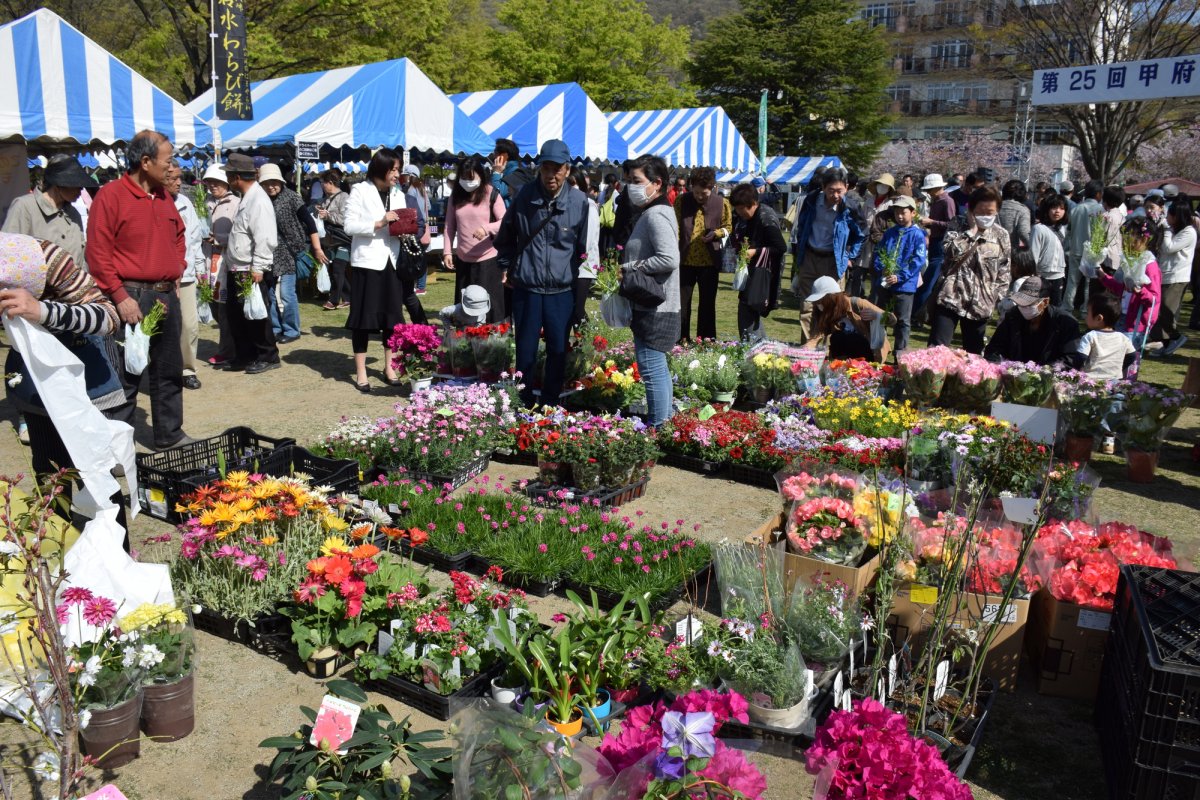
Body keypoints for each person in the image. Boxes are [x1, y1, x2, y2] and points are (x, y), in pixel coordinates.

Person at [1, 234, 125, 532]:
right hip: (34, 389)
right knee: (49, 477)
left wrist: (42, 311)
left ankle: (117, 560)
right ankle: (61, 556)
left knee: (96, 478)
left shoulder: (44, 257)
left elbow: (108, 318)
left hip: (86, 387)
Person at [86, 129, 191, 450]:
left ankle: (169, 435)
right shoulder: (111, 196)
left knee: (169, 367)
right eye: (167, 161)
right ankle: (118, 449)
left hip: (162, 296)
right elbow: (98, 254)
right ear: (146, 162)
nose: (172, 167)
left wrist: (176, 272)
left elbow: (178, 235)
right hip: (131, 296)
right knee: (128, 373)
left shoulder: (162, 197)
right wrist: (120, 297)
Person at [494, 139, 590, 408]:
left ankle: (550, 404)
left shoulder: (580, 202)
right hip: (528, 288)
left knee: (558, 351)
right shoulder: (524, 196)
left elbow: (584, 250)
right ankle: (522, 404)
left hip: (561, 290)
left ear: (567, 170)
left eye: (557, 168)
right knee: (525, 352)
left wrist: (579, 292)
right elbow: (505, 236)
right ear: (539, 168)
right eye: (546, 168)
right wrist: (507, 266)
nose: (551, 174)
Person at [343, 148, 427, 392]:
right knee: (363, 320)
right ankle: (361, 372)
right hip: (367, 263)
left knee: (392, 318)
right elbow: (349, 226)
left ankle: (389, 366)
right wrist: (379, 223)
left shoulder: (398, 193)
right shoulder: (360, 190)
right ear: (381, 169)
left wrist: (407, 227)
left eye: (398, 169)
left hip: (392, 261)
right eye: (393, 170)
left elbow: (406, 224)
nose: (397, 174)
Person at [620, 154, 680, 427]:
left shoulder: (656, 214)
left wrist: (632, 266)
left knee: (651, 366)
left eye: (636, 181)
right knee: (656, 366)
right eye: (629, 180)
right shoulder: (655, 212)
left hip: (655, 306)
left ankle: (657, 427)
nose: (630, 186)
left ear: (656, 184)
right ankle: (663, 423)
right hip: (656, 303)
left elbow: (669, 258)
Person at [930, 186, 1011, 354]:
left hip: (981, 302)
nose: (986, 216)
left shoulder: (1001, 234)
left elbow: (1004, 269)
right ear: (971, 209)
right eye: (981, 211)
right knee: (937, 351)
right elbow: (949, 251)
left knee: (974, 356)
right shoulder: (957, 224)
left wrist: (996, 296)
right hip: (951, 296)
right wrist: (971, 232)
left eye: (990, 212)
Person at [221, 153, 280, 375]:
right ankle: (245, 354)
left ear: (236, 176)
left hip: (249, 268)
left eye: (228, 174)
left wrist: (259, 267)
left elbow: (265, 237)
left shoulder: (258, 200)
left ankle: (268, 355)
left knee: (256, 314)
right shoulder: (248, 197)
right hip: (238, 266)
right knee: (238, 315)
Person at [791, 167, 865, 342]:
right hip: (810, 258)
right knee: (807, 307)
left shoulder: (851, 208)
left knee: (832, 308)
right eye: (831, 191)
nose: (836, 195)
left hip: (834, 261)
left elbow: (862, 235)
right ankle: (807, 349)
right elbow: (801, 227)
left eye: (840, 191)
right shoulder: (810, 200)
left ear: (847, 187)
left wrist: (851, 257)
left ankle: (826, 351)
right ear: (823, 187)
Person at [259, 163, 321, 345]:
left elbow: (310, 223)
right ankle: (276, 328)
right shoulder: (261, 200)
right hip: (267, 253)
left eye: (274, 182)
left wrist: (317, 248)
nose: (271, 186)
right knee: (270, 294)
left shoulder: (292, 198)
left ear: (281, 181)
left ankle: (292, 329)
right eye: (267, 182)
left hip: (289, 253)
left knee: (286, 294)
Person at [442, 155, 506, 321]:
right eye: (463, 178)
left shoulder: (491, 194)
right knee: (465, 308)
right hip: (464, 259)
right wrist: (447, 252)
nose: (467, 182)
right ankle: (465, 342)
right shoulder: (455, 197)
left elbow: (505, 222)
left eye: (471, 178)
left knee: (489, 308)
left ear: (480, 175)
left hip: (488, 260)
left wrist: (487, 228)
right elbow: (449, 226)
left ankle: (494, 342)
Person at [3, 155, 91, 272]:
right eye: (77, 185)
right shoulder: (24, 207)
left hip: (72, 288)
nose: (81, 190)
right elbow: (8, 254)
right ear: (59, 184)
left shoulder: (74, 214)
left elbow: (81, 259)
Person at [1091, 216, 1161, 359]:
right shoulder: (1130, 261)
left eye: (1131, 238)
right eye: (1124, 239)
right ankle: (1116, 380)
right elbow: (1121, 289)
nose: (1126, 243)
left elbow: (1154, 299)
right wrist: (1104, 277)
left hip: (1136, 322)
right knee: (1115, 356)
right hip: (1122, 316)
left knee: (1128, 358)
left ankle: (1127, 381)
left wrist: (1141, 292)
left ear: (1144, 240)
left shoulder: (1149, 265)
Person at [674, 166, 731, 342]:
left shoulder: (722, 203)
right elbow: (674, 226)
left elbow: (728, 227)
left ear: (713, 188)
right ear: (691, 186)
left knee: (707, 305)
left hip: (709, 262)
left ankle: (705, 340)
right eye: (696, 192)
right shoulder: (681, 201)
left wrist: (716, 233)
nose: (699, 196)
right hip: (685, 261)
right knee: (682, 304)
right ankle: (681, 339)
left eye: (704, 193)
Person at [164, 161, 207, 390]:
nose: (179, 183)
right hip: (159, 277)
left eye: (180, 177)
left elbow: (195, 238)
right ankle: (163, 371)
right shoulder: (152, 202)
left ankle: (187, 369)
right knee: (162, 326)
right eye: (173, 178)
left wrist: (199, 267)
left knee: (189, 326)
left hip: (187, 274)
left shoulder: (185, 203)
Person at [730, 183, 787, 342]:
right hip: (753, 271)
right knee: (748, 310)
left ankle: (754, 351)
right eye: (737, 209)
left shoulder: (765, 218)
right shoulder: (748, 217)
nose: (739, 213)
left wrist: (755, 251)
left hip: (763, 274)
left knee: (747, 310)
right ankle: (760, 351)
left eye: (742, 209)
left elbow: (780, 247)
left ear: (754, 203)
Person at [984, 276, 1081, 365]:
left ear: (1045, 302)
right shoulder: (1013, 316)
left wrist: (1040, 372)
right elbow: (994, 348)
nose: (1023, 307)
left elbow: (1070, 359)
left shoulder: (1065, 323)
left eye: (1029, 304)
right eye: (1020, 303)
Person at [873, 195, 925, 358]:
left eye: (903, 212)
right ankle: (878, 350)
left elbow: (918, 260)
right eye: (897, 213)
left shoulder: (917, 234)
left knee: (902, 321)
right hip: (885, 282)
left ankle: (899, 355)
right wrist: (882, 268)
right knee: (881, 316)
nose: (900, 216)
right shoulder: (890, 232)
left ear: (913, 213)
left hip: (905, 285)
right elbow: (879, 253)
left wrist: (900, 276)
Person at [202, 164, 239, 367]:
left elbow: (238, 234)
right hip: (208, 262)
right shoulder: (204, 202)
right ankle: (228, 346)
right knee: (213, 306)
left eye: (216, 182)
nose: (212, 186)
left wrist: (217, 239)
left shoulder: (235, 203)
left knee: (224, 308)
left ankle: (227, 349)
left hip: (225, 262)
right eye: (209, 182)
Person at [807, 276, 894, 362]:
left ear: (831, 297)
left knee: (849, 338)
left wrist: (876, 315)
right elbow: (816, 334)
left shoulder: (857, 303)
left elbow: (892, 319)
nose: (818, 303)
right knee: (837, 337)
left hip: (867, 350)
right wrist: (806, 349)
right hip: (843, 353)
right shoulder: (824, 311)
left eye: (820, 300)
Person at [1147, 200, 1194, 357]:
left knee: (1167, 310)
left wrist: (1167, 230)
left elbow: (1169, 247)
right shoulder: (1176, 230)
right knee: (1160, 310)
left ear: (1177, 216)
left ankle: (1176, 337)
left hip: (1176, 277)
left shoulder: (1189, 232)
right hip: (1166, 275)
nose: (1167, 218)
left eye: (1169, 216)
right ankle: (1166, 343)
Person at [915, 173, 954, 321]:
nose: (929, 192)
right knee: (929, 280)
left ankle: (918, 312)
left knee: (930, 280)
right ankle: (923, 314)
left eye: (931, 189)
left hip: (941, 243)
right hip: (934, 240)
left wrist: (932, 222)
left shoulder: (947, 201)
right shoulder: (936, 200)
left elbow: (951, 225)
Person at [1063, 179, 1105, 314]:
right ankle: (1085, 309)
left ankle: (1067, 307)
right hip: (1092, 251)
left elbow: (1069, 229)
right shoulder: (1100, 210)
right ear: (1098, 194)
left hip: (1075, 248)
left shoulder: (1077, 208)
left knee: (1072, 281)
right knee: (1088, 283)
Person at [1075, 292, 1135, 380]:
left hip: (1090, 381)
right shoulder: (1123, 338)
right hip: (1114, 381)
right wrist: (1120, 368)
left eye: (1088, 313)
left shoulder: (1090, 336)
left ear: (1099, 318)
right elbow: (1132, 355)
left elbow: (1081, 357)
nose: (1085, 317)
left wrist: (1076, 370)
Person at [316, 169, 351, 310]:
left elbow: (345, 219)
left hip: (343, 239)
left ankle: (333, 300)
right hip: (331, 240)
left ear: (330, 183)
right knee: (336, 269)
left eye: (323, 183)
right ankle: (349, 297)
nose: (322, 186)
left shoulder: (344, 197)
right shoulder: (326, 198)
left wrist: (328, 215)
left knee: (338, 267)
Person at [568, 167, 598, 328]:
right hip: (567, 264)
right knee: (570, 309)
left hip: (583, 266)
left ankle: (587, 344)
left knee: (577, 309)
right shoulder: (565, 204)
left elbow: (587, 240)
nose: (572, 188)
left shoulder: (589, 205)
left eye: (574, 184)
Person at [1029, 195, 1068, 307]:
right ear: (1046, 209)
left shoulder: (1062, 229)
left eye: (1061, 208)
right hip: (1041, 275)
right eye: (1054, 208)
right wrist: (1033, 276)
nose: (1057, 211)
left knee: (1055, 307)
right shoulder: (1039, 228)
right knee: (1039, 308)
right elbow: (1033, 253)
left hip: (1058, 275)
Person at [403, 165, 432, 296]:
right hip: (425, 225)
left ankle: (418, 286)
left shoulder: (410, 190)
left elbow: (411, 211)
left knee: (414, 257)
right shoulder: (422, 188)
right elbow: (429, 206)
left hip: (416, 226)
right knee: (421, 256)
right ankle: (421, 286)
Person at [490, 138, 525, 207]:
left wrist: (496, 173)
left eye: (495, 153)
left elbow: (497, 193)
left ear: (503, 156)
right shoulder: (504, 171)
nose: (494, 156)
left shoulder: (516, 173)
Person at [998, 179, 1031, 251]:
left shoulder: (995, 206)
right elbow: (1023, 232)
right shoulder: (1022, 210)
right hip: (1011, 251)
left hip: (991, 249)